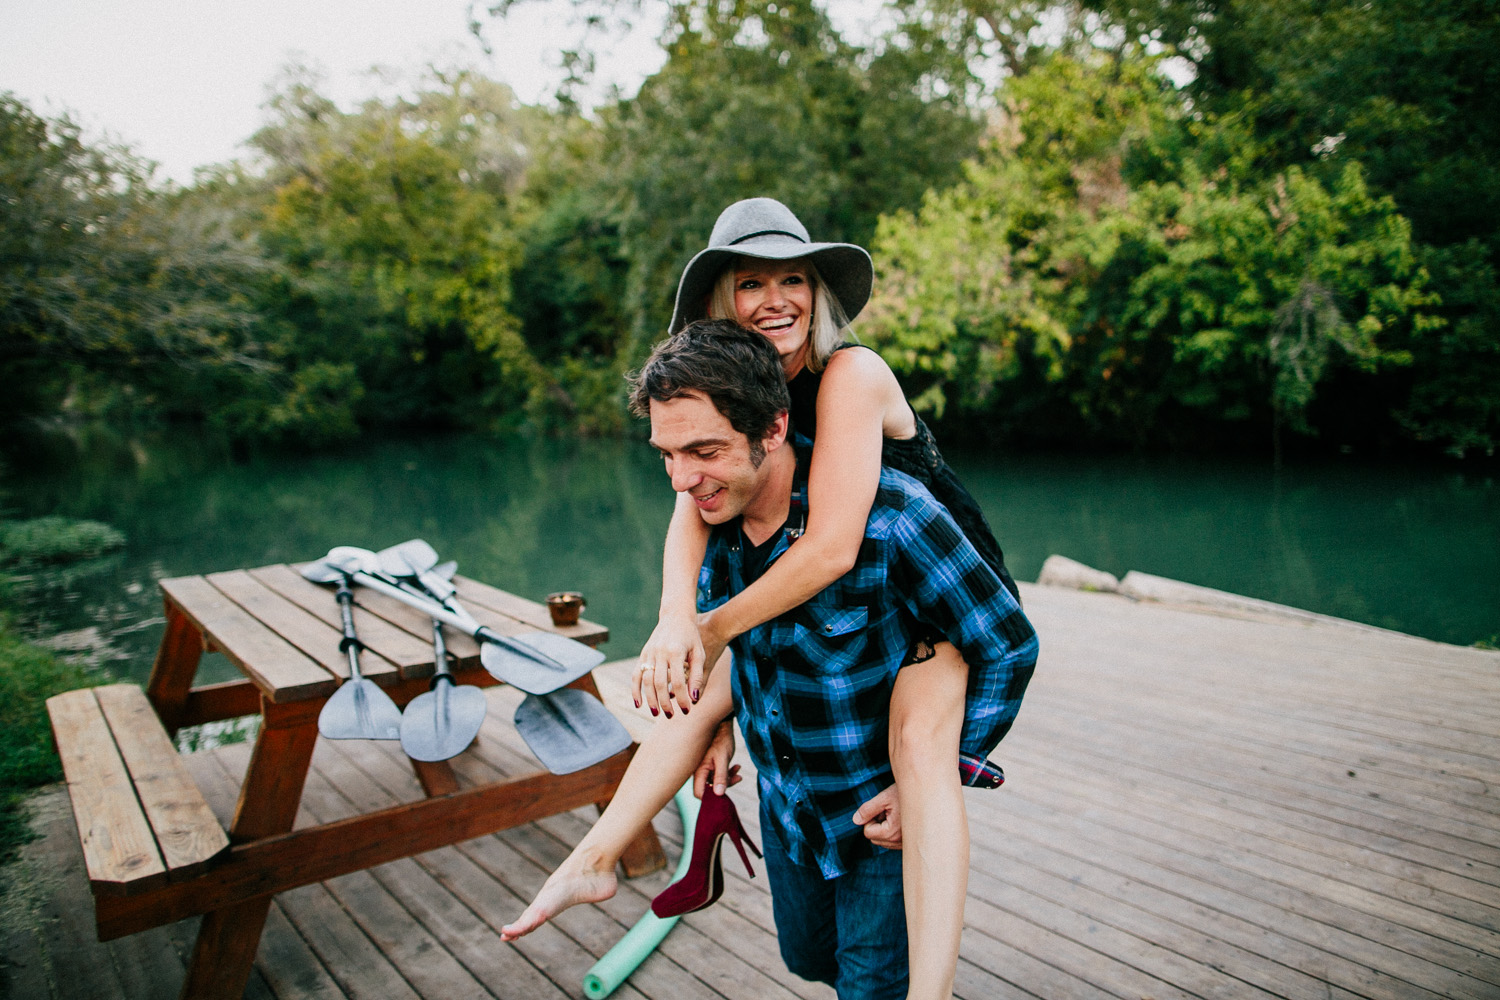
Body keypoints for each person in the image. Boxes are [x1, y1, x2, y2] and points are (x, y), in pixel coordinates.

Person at [503, 322, 1037, 1000]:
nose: (682, 479)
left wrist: (942, 773)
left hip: (879, 826)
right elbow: (721, 673)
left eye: (703, 450)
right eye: (666, 454)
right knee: (809, 960)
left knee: (872, 986)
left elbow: (1008, 642)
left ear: (774, 428)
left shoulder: (892, 515)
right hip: (788, 813)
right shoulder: (715, 524)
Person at [636, 197, 1021, 997]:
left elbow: (831, 547)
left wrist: (709, 635)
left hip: (930, 609)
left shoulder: (849, 374)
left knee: (919, 759)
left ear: (819, 293)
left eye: (794, 279)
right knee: (812, 954)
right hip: (839, 612)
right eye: (751, 283)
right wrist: (682, 627)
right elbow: (692, 524)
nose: (776, 299)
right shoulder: (729, 394)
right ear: (720, 301)